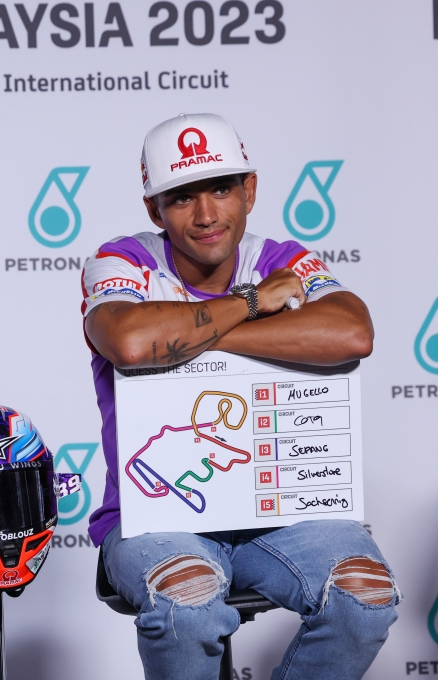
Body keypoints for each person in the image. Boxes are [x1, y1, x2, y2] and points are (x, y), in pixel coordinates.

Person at [81, 113, 398, 680]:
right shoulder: (124, 260)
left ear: (249, 190)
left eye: (222, 189)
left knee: (363, 593)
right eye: (182, 197)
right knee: (186, 601)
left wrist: (185, 339)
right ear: (154, 210)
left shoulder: (280, 258)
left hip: (283, 515)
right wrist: (252, 305)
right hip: (155, 517)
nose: (206, 215)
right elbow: (129, 341)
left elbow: (352, 334)